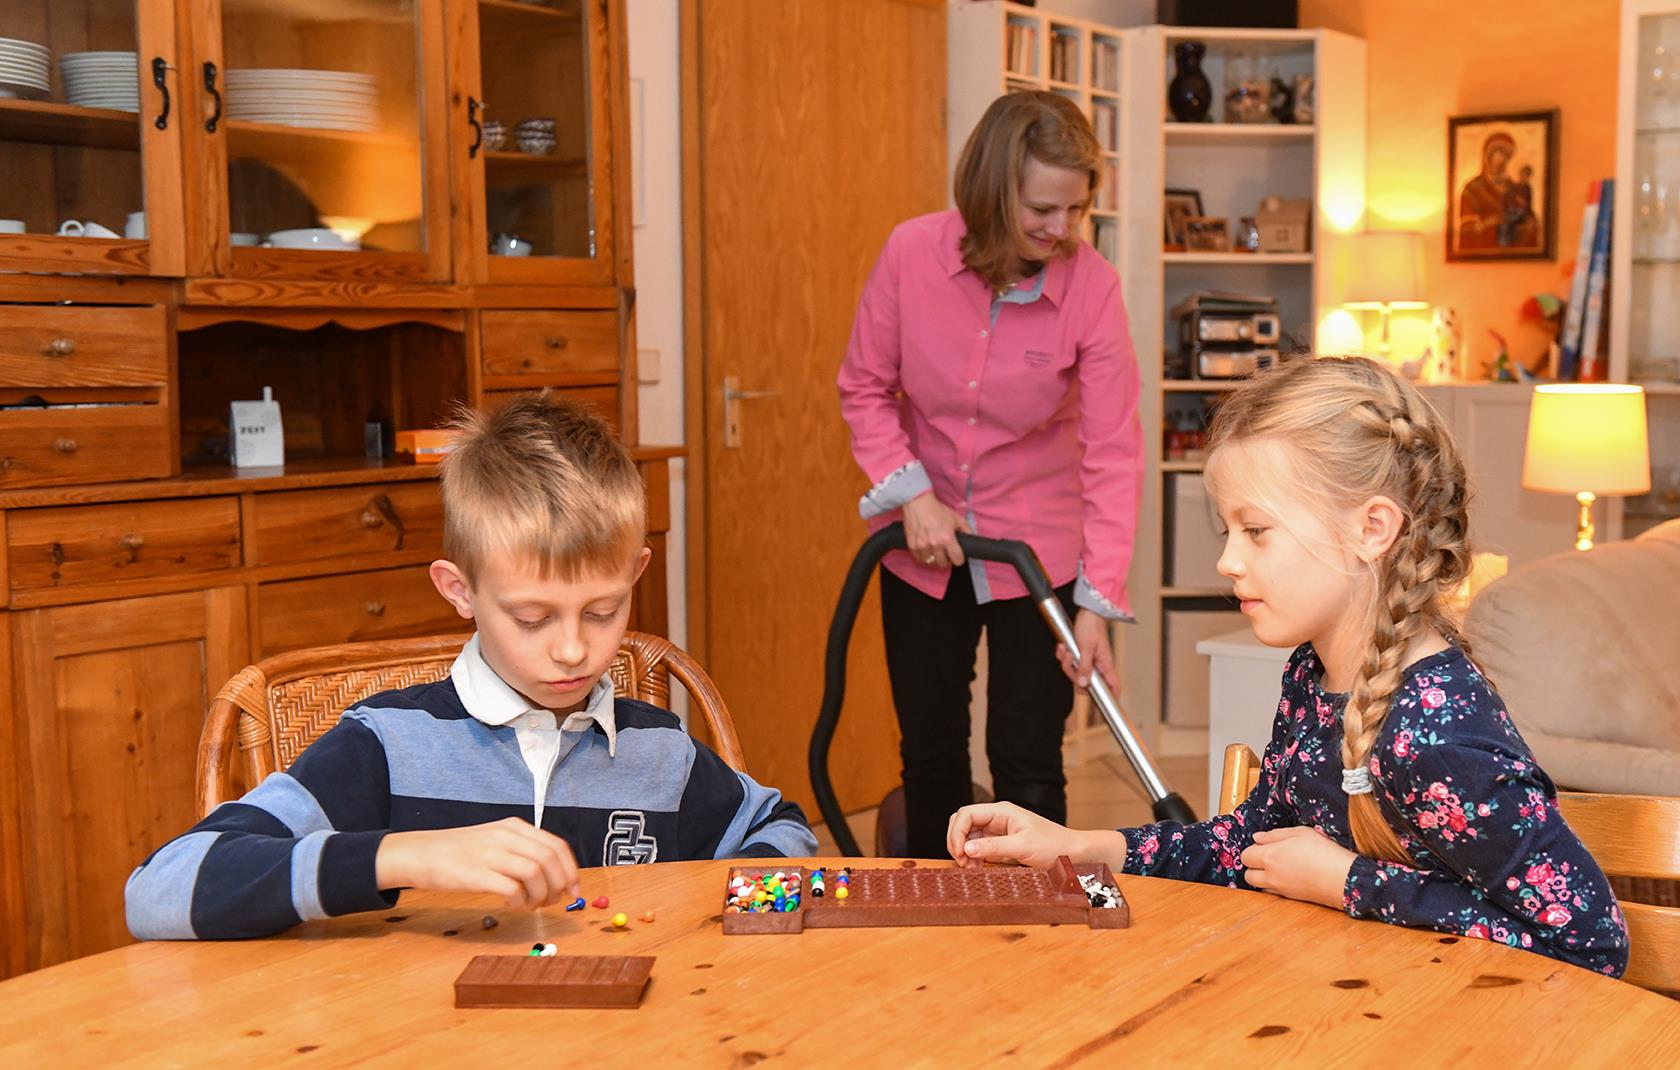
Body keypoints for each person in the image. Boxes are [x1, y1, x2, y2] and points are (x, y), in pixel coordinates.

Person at [946, 357, 1628, 977]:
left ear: (1372, 529)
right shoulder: (1313, 674)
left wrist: (1348, 882)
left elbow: (1590, 945)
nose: (1227, 562)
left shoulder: (1437, 733)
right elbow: (1251, 847)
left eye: (1257, 530)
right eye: (1227, 531)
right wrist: (1076, 846)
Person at [125, 395, 815, 940]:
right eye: (533, 618)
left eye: (603, 611)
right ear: (459, 590)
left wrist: (717, 916)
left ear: (637, 574)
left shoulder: (660, 756)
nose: (574, 649)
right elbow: (158, 892)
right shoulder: (389, 747)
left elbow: (787, 834)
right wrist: (402, 856)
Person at [836, 91, 1143, 858]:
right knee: (932, 751)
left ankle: (1042, 927)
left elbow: (1113, 451)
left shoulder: (1092, 289)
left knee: (1028, 759)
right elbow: (865, 387)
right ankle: (941, 916)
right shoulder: (911, 254)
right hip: (919, 546)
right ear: (991, 189)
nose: (1060, 230)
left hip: (1037, 557)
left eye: (1075, 210)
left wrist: (1097, 605)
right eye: (1042, 208)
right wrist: (913, 494)